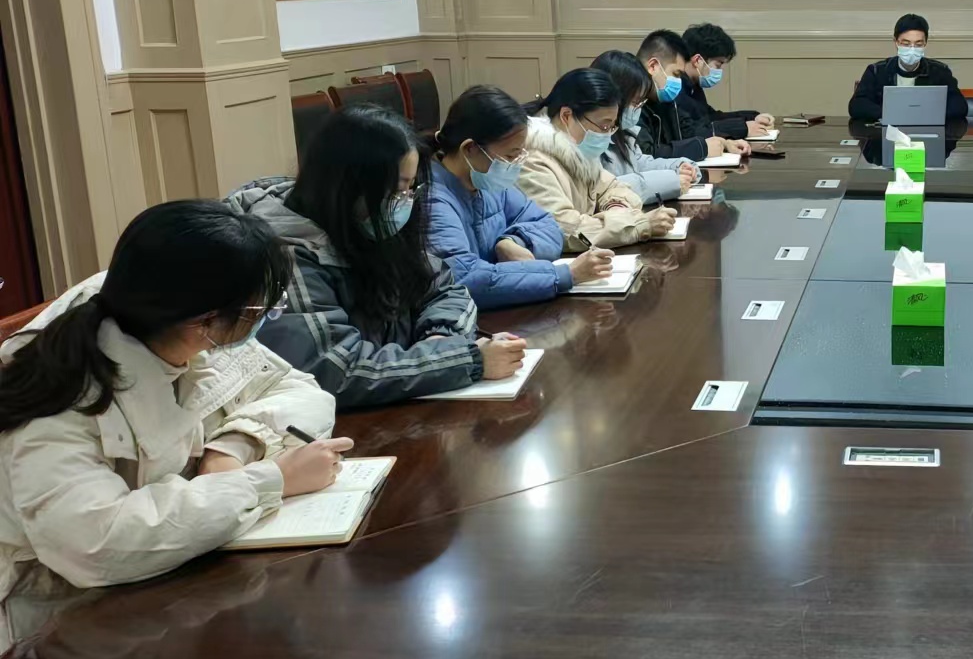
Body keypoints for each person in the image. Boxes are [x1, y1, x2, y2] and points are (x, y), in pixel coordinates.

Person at [0, 200, 345, 597]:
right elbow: (97, 543)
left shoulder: (178, 326)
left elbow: (299, 389)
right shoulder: (58, 393)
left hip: (167, 576)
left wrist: (232, 449)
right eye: (259, 309)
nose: (264, 320)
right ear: (206, 321)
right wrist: (269, 481)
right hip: (58, 608)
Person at [229, 106, 527, 407]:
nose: (405, 201)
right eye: (398, 190)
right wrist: (464, 360)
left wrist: (440, 340)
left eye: (411, 188)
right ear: (348, 186)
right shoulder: (284, 255)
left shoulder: (370, 221)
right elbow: (336, 370)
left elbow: (445, 288)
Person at [427, 85, 613, 309]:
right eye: (510, 156)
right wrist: (564, 275)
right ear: (470, 149)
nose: (515, 164)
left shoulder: (489, 183)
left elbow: (548, 224)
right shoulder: (433, 200)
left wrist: (514, 241)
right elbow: (466, 278)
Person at [520, 67, 678, 249]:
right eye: (604, 127)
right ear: (567, 116)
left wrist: (616, 208)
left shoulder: (577, 149)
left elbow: (613, 187)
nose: (608, 135)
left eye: (612, 127)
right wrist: (638, 225)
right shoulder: (531, 161)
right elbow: (565, 230)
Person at [591, 49, 701, 205]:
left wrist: (677, 166)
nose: (638, 109)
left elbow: (639, 163)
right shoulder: (590, 138)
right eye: (635, 102)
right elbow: (607, 189)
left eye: (641, 102)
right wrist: (670, 182)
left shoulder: (622, 131)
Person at [635, 29, 748, 164]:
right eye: (676, 74)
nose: (679, 81)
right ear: (653, 66)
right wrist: (702, 148)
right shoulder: (632, 102)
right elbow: (646, 155)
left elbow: (681, 137)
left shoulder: (663, 98)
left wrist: (723, 143)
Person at [848, 14, 969, 123]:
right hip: (887, 134)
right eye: (906, 44)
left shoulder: (940, 71)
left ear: (925, 44)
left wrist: (925, 114)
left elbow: (960, 106)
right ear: (896, 42)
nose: (912, 49)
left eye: (918, 44)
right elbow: (857, 105)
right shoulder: (876, 71)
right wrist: (891, 114)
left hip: (927, 133)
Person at [681, 23, 773, 140]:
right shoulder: (675, 89)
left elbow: (711, 117)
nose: (719, 71)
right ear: (698, 60)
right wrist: (743, 128)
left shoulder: (693, 85)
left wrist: (753, 117)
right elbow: (690, 132)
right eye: (718, 65)